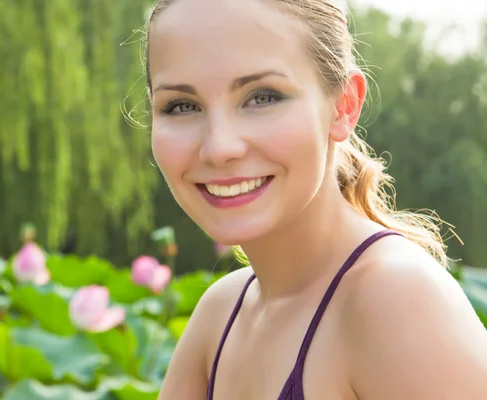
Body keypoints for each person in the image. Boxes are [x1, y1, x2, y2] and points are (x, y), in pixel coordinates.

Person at [144, 0, 487, 398]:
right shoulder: (219, 314)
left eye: (263, 97)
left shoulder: (395, 300)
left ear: (344, 105)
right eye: (182, 106)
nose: (219, 147)